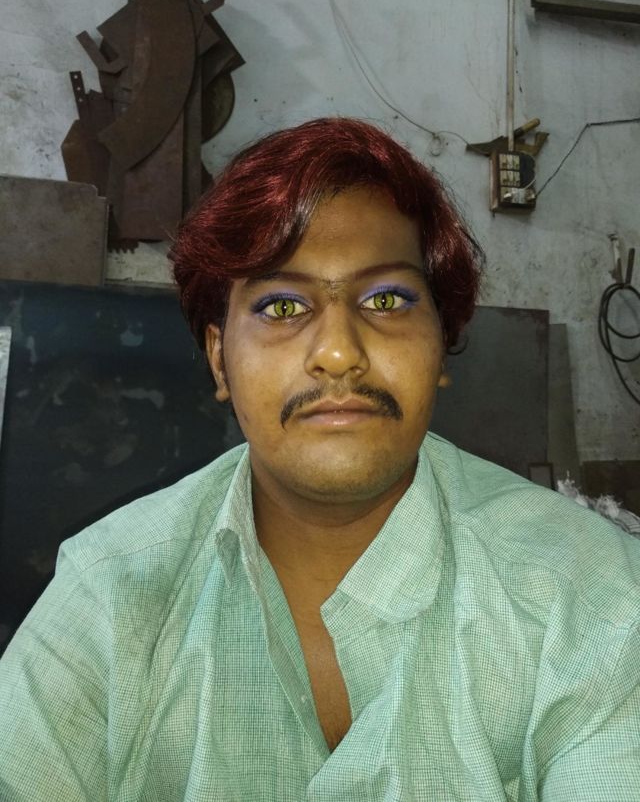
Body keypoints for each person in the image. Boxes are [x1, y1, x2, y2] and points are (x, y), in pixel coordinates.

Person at [0, 118, 638, 801]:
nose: (338, 352)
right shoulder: (109, 593)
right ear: (219, 359)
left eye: (386, 299)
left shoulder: (591, 592)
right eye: (281, 305)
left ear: (441, 343)